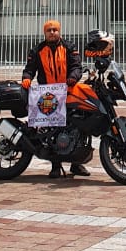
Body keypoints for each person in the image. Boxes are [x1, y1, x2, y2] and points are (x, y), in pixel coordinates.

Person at [21, 19, 87, 177]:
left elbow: (77, 66)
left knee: (77, 126)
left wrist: (73, 78)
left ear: (59, 31)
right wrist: (26, 78)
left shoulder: (69, 47)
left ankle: (76, 165)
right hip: (48, 95)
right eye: (49, 30)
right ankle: (55, 166)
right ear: (45, 33)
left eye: (55, 30)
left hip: (69, 91)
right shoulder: (37, 50)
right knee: (51, 131)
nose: (52, 32)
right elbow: (29, 69)